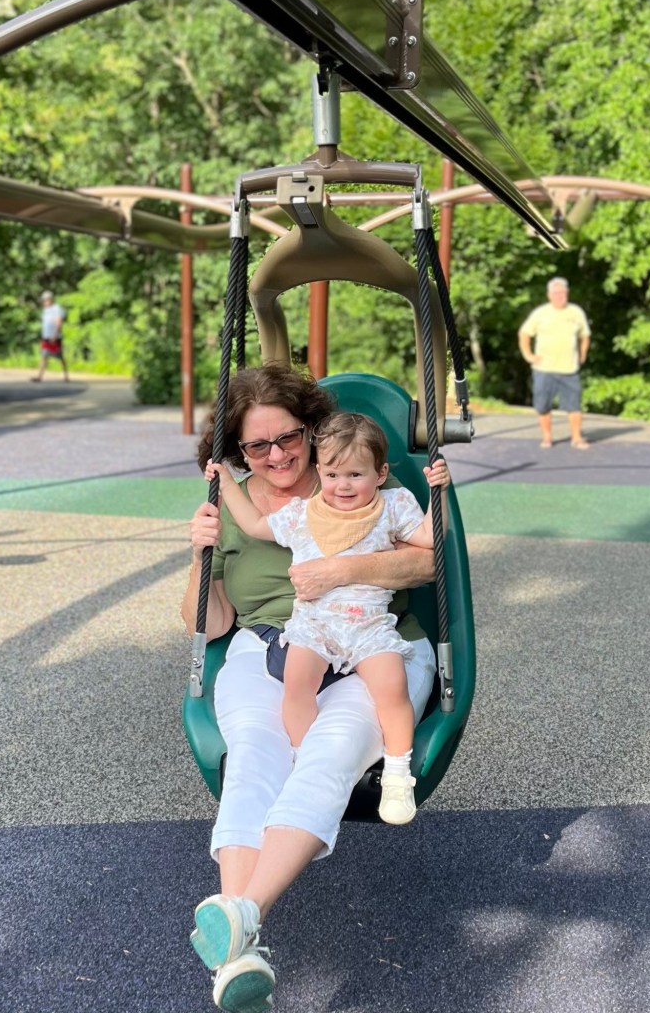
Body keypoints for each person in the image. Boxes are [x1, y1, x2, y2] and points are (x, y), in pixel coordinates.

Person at [180, 364, 437, 1013]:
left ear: (311, 429)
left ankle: (242, 918)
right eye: (256, 446)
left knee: (332, 747)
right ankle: (241, 952)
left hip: (373, 644)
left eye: (289, 437)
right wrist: (199, 555)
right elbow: (211, 622)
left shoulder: (347, 475)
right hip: (269, 650)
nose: (277, 456)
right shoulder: (230, 505)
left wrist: (340, 570)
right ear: (237, 451)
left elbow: (429, 561)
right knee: (252, 759)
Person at [205, 410, 450, 827]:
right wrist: (226, 483)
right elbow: (254, 524)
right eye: (333, 475)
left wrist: (438, 493)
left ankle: (397, 773)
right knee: (296, 688)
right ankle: (303, 760)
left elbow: (428, 539)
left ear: (380, 474)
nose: (344, 485)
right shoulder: (304, 513)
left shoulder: (392, 506)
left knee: (392, 689)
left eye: (356, 475)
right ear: (321, 472)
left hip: (368, 624)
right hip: (314, 626)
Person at [517, 276, 591, 449]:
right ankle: (547, 437)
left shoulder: (576, 312)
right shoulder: (540, 313)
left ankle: (577, 438)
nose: (560, 296)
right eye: (556, 293)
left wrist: (582, 355)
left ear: (567, 293)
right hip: (544, 369)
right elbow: (524, 334)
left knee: (574, 406)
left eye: (562, 292)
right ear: (549, 295)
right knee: (543, 405)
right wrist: (528, 355)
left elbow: (585, 335)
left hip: (569, 369)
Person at [31, 290, 69, 382]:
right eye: (43, 300)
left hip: (55, 337)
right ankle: (39, 376)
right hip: (46, 337)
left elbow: (59, 322)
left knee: (60, 357)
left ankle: (66, 376)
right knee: (44, 356)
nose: (44, 302)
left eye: (46, 300)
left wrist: (55, 335)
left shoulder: (57, 309)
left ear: (50, 299)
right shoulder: (45, 310)